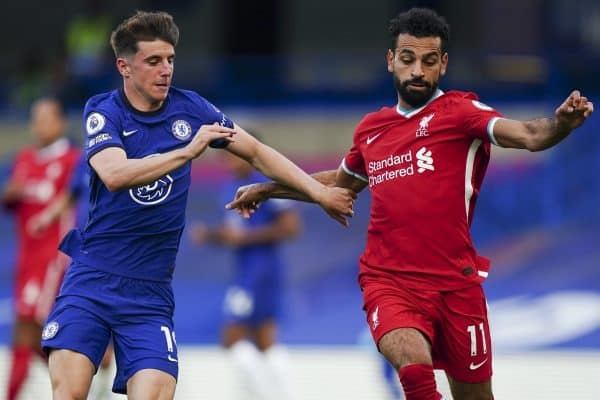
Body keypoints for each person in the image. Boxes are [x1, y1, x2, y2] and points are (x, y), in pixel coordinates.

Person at [225, 7, 594, 400]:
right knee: (415, 373)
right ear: (391, 61)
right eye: (408, 59)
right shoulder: (372, 129)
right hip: (389, 280)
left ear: (443, 64)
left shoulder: (461, 113)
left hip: (456, 283)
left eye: (429, 61)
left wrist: (561, 125)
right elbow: (339, 184)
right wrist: (269, 189)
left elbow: (528, 134)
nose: (418, 69)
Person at [40, 10, 355, 400]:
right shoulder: (104, 111)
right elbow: (115, 173)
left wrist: (319, 192)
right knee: (68, 393)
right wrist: (187, 151)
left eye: (170, 60)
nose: (165, 70)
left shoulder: (192, 109)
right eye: (153, 61)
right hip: (92, 279)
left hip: (149, 293)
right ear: (124, 66)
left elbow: (255, 150)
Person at [190, 148, 301, 400]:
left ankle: (267, 394)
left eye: (233, 155)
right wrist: (209, 235)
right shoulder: (230, 186)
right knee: (263, 341)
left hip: (261, 270)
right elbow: (235, 233)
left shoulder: (269, 184)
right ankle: (280, 394)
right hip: (247, 269)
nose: (227, 161)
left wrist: (246, 237)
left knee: (232, 337)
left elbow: (291, 227)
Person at [1, 98, 80, 400]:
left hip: (53, 258)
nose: (39, 125)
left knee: (28, 328)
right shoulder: (24, 159)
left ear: (60, 122)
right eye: (35, 119)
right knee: (34, 336)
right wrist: (10, 193)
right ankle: (85, 384)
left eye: (46, 118)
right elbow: (10, 202)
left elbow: (72, 201)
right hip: (26, 257)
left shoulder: (73, 160)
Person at [29, 154, 116, 400]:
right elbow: (70, 195)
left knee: (106, 347)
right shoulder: (87, 158)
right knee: (72, 331)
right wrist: (47, 216)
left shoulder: (130, 156)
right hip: (84, 258)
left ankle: (101, 393)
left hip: (116, 260)